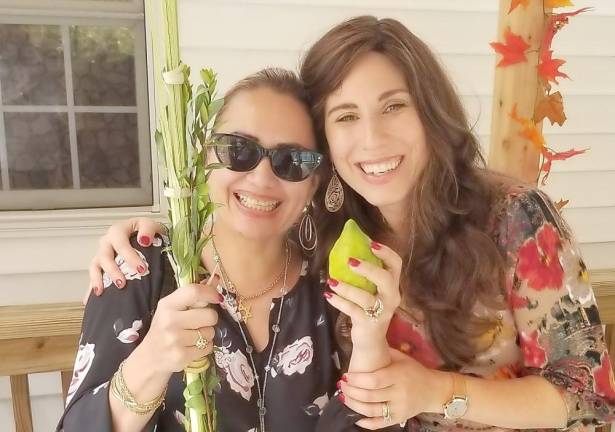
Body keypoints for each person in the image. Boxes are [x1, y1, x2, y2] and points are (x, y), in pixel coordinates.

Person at [86, 15, 615, 432]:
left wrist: (436, 391)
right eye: (345, 117)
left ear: (430, 111)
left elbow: (588, 398)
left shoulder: (512, 218)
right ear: (326, 152)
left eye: (393, 107)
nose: (372, 140)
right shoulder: (330, 239)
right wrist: (155, 231)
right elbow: (248, 206)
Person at [58, 68, 346, 432]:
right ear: (202, 158)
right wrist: (150, 362)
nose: (261, 177)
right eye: (238, 149)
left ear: (314, 182)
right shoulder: (142, 269)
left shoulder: (330, 289)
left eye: (292, 161)